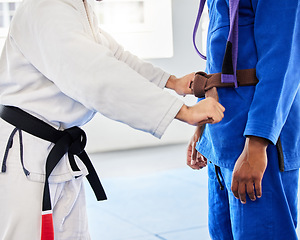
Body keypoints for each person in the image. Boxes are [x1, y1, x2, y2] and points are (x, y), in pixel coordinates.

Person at [0, 0, 225, 239]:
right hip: (26, 156)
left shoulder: (75, 7)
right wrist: (183, 112)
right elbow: (96, 75)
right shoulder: (45, 8)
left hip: (56, 152)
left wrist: (172, 82)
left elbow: (115, 56)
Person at [187, 0, 300, 239]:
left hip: (257, 144)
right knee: (221, 233)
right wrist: (202, 125)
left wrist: (257, 143)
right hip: (222, 139)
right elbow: (217, 60)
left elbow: (283, 61)